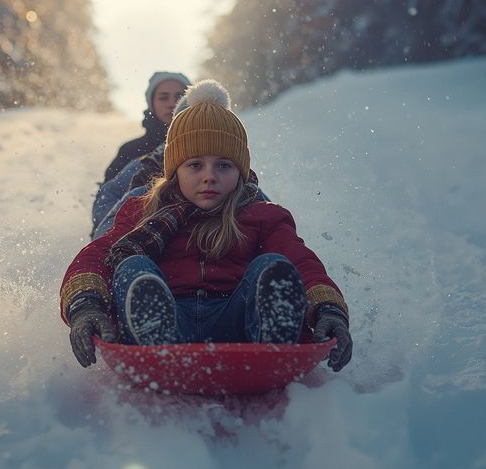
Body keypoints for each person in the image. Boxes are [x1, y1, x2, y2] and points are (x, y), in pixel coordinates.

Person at [61, 79, 353, 372]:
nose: (209, 176)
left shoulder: (262, 215)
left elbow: (301, 261)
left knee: (275, 264)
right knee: (131, 267)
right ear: (174, 171)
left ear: (241, 172)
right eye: (195, 165)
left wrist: (327, 308)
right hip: (171, 316)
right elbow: (97, 255)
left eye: (224, 166)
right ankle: (152, 332)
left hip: (239, 321)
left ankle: (271, 335)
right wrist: (86, 305)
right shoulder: (144, 212)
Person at [101, 71, 191, 184]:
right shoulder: (130, 151)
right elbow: (108, 197)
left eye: (179, 97)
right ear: (151, 104)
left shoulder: (205, 145)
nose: (171, 104)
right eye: (163, 98)